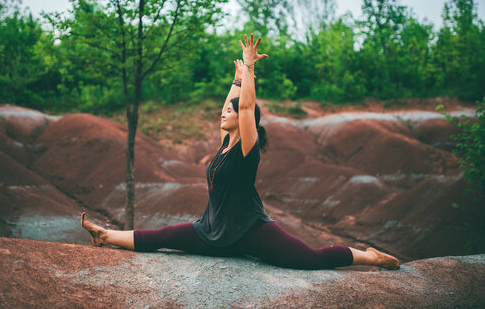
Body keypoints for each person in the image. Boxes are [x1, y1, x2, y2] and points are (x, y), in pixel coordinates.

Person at [81, 34, 400, 270]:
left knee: (310, 259)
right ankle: (105, 236)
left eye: (230, 113)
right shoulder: (225, 143)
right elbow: (233, 105)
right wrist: (236, 78)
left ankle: (368, 256)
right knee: (164, 236)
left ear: (245, 121)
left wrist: (249, 66)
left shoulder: (248, 150)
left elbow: (246, 106)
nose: (224, 114)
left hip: (250, 231)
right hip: (211, 231)